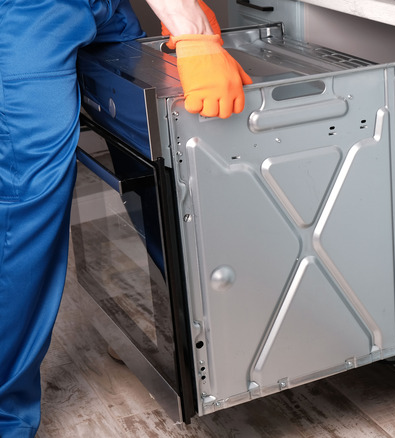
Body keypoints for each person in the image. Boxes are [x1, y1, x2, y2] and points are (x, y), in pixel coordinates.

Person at [0, 0, 251, 436]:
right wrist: (188, 23)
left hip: (108, 7)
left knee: (158, 167)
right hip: (25, 12)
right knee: (26, 207)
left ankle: (162, 340)